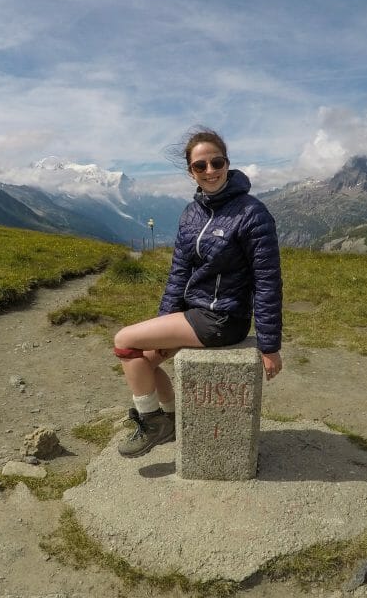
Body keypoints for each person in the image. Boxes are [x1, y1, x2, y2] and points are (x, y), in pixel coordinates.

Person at [113, 128, 283, 458]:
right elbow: (178, 276)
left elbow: (267, 282)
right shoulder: (192, 214)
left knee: (123, 340)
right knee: (143, 360)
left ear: (227, 163)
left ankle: (152, 422)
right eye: (199, 166)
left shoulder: (252, 213)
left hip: (223, 318)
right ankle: (173, 420)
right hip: (193, 313)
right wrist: (164, 327)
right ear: (190, 170)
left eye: (216, 162)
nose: (210, 171)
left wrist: (270, 346)